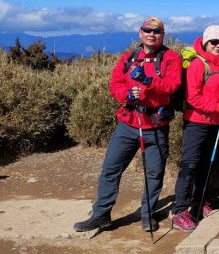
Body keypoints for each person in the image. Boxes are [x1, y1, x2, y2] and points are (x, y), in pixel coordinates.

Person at [73, 16, 182, 232]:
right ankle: (101, 214)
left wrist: (149, 82)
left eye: (156, 31)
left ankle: (148, 214)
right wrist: (128, 95)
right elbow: (115, 84)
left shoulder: (171, 58)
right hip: (128, 124)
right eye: (147, 30)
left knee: (154, 173)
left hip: (156, 125)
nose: (152, 34)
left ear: (163, 34)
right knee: (110, 170)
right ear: (140, 33)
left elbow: (172, 85)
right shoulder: (128, 58)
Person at [170, 25, 219, 232]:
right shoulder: (198, 65)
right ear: (206, 43)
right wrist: (217, 107)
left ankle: (199, 202)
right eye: (214, 42)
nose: (218, 46)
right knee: (189, 166)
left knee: (206, 165)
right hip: (196, 123)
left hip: (215, 123)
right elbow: (193, 97)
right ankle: (179, 210)